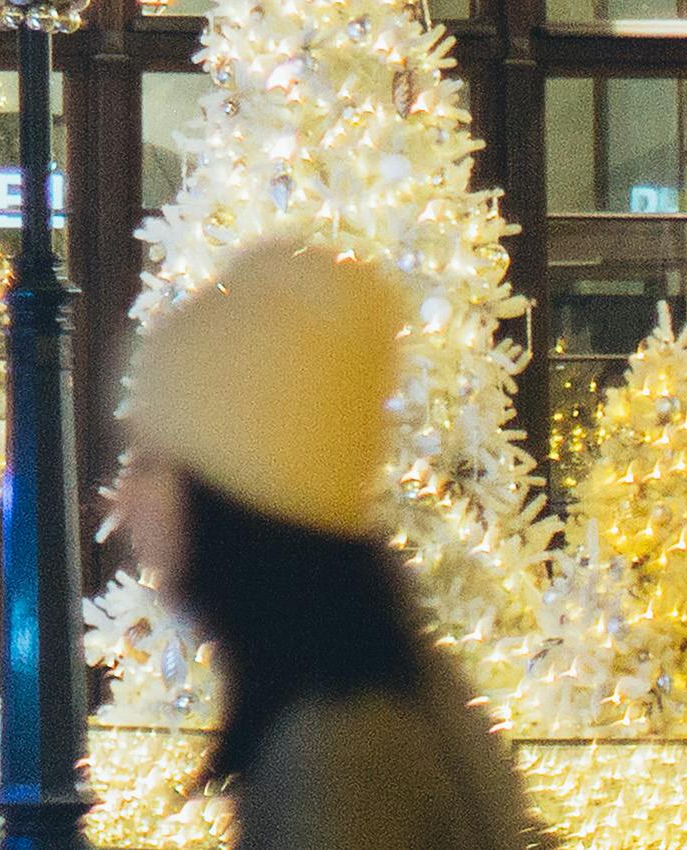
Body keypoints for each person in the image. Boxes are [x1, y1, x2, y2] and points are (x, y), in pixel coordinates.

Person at [105, 243, 546, 850]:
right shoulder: (370, 690)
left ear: (229, 505)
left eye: (153, 461)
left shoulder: (335, 750)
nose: (123, 499)